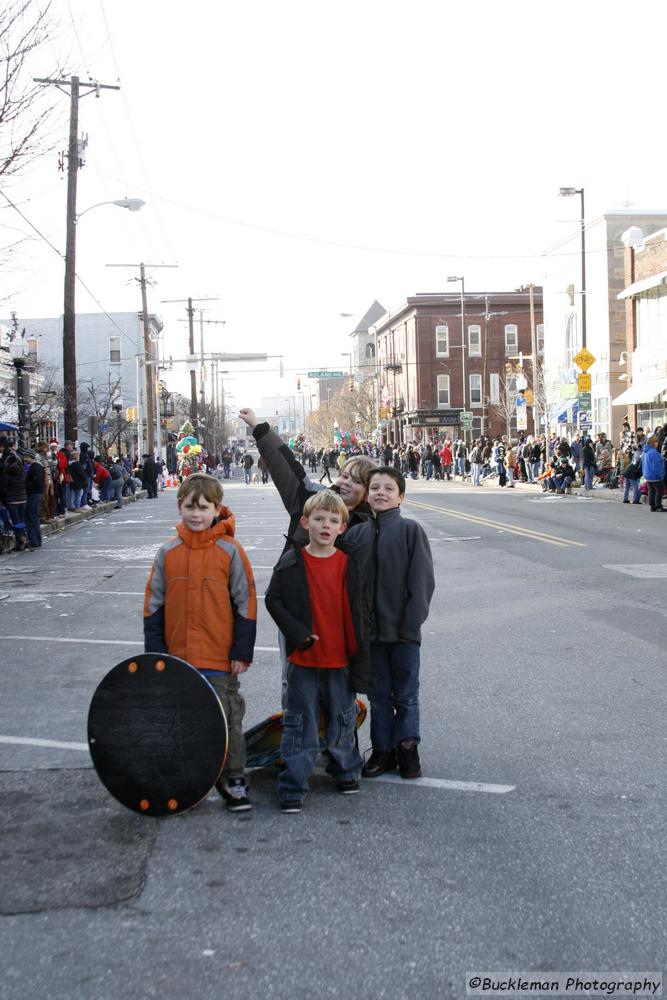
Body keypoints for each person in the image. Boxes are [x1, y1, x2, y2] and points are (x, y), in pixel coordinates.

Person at [239, 406, 374, 707]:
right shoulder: (311, 502)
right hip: (299, 616)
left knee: (339, 688)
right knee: (295, 684)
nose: (346, 482)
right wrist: (260, 429)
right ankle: (297, 745)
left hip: (340, 623)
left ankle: (337, 750)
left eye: (357, 481)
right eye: (345, 475)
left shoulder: (369, 530)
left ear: (368, 492)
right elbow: (287, 467)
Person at [143, 473, 257, 811]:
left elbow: (245, 602)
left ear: (217, 509)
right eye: (189, 506)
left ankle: (233, 776)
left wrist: (241, 652)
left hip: (218, 656)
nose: (196, 514)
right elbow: (153, 605)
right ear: (180, 507)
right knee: (181, 719)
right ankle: (188, 775)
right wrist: (156, 654)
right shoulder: (168, 552)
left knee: (226, 719)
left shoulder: (230, 550)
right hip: (178, 657)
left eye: (203, 507)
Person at [265, 491, 368, 813]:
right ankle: (294, 783)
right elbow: (273, 600)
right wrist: (298, 634)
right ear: (305, 522)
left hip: (340, 660)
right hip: (303, 661)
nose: (326, 525)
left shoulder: (350, 563)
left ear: (342, 527)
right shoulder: (292, 562)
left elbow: (361, 609)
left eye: (334, 520)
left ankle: (346, 769)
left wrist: (361, 653)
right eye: (320, 519)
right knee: (300, 723)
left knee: (342, 719)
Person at [346, 467, 435, 781]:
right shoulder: (356, 535)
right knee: (379, 696)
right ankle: (383, 751)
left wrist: (411, 627)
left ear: (401, 496)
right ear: (367, 494)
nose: (380, 493)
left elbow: (422, 584)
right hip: (370, 636)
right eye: (374, 488)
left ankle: (407, 749)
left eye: (388, 488)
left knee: (406, 696)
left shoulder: (411, 531)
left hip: (403, 634)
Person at [24, 449, 45, 548]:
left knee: (32, 517)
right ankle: (36, 540)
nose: (25, 459)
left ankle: (35, 540)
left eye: (27, 457)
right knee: (32, 517)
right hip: (35, 493)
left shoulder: (36, 467)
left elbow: (37, 482)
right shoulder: (36, 467)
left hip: (34, 494)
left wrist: (26, 485)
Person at [641, 436, 665, 512]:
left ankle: (652, 506)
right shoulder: (654, 452)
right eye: (656, 442)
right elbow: (656, 466)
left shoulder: (645, 451)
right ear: (652, 443)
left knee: (651, 491)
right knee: (659, 491)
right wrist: (660, 475)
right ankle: (658, 506)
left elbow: (643, 464)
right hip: (655, 475)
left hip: (648, 475)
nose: (657, 443)